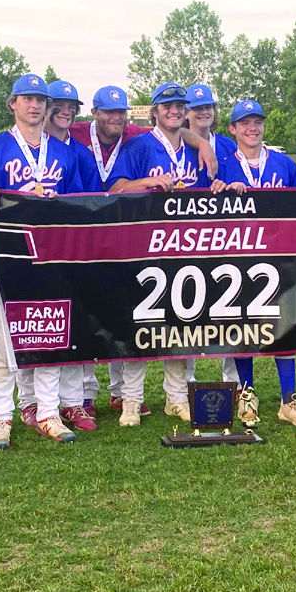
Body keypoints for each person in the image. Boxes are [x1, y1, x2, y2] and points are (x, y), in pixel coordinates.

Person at [0, 73, 84, 447]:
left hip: (53, 253)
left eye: (40, 100)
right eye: (26, 99)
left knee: (51, 331)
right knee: (5, 339)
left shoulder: (64, 151)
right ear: (13, 104)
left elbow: (80, 203)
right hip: (11, 251)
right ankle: (1, 415)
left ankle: (48, 412)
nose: (34, 105)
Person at [107, 82, 213, 425]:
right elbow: (114, 188)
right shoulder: (138, 145)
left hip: (187, 246)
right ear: (155, 111)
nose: (174, 110)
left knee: (181, 326)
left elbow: (212, 189)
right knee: (142, 324)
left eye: (179, 105)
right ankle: (131, 401)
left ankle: (176, 398)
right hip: (145, 246)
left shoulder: (196, 149)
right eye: (167, 105)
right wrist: (146, 184)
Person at [210, 99, 296, 429]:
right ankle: (246, 395)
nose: (252, 128)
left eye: (257, 122)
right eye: (245, 123)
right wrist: (221, 190)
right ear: (232, 129)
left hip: (280, 256)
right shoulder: (223, 165)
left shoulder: (283, 164)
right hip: (238, 258)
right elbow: (204, 206)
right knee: (241, 326)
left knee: (284, 325)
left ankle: (289, 399)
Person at [68, 83, 145, 419]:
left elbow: (177, 129)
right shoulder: (75, 132)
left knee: (121, 310)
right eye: (109, 112)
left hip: (120, 236)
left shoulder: (135, 135)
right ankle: (85, 393)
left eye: (121, 112)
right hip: (82, 234)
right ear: (94, 113)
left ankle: (119, 393)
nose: (116, 118)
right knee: (85, 312)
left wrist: (200, 142)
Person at [42, 78, 101, 433]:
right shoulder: (16, 145)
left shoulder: (77, 151)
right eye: (58, 105)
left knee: (72, 321)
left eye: (71, 106)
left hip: (69, 246)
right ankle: (33, 404)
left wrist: (197, 139)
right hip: (30, 247)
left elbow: (89, 198)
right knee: (33, 324)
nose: (65, 111)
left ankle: (73, 402)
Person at [186, 84, 238, 163]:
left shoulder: (228, 145)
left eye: (208, 107)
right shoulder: (178, 145)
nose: (204, 112)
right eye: (198, 108)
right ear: (185, 113)